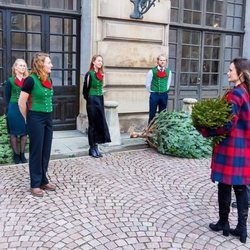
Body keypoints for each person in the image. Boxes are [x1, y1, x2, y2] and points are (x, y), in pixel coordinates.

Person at [197, 58, 250, 243]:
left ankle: (223, 223)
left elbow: (228, 124)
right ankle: (242, 230)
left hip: (231, 147)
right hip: (244, 147)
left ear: (240, 74)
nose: (227, 73)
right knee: (241, 188)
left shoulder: (236, 94)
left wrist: (207, 131)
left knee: (225, 185)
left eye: (230, 70)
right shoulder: (247, 92)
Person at [18, 52, 56, 197]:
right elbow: (22, 102)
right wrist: (28, 119)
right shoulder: (30, 80)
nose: (51, 65)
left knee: (46, 150)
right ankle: (34, 184)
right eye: (49, 63)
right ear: (41, 64)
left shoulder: (49, 79)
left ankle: (43, 180)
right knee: (36, 151)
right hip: (35, 118)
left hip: (48, 117)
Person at [82, 55, 111, 158]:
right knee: (92, 124)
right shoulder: (89, 74)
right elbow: (85, 90)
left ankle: (96, 146)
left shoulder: (101, 74)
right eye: (98, 61)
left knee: (99, 123)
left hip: (100, 99)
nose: (100, 63)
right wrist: (90, 99)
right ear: (93, 62)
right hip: (92, 100)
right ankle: (92, 147)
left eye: (101, 61)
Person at [4, 59, 29, 164]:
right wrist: (8, 110)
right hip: (13, 107)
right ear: (15, 67)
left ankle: (22, 155)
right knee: (13, 133)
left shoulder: (28, 80)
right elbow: (6, 97)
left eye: (24, 66)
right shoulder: (10, 81)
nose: (22, 67)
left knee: (24, 133)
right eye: (20, 65)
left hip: (24, 107)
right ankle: (16, 155)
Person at [145, 54, 172, 124]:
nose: (162, 62)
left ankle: (161, 130)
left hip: (164, 95)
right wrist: (153, 91)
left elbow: (168, 83)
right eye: (161, 60)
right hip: (154, 95)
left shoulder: (169, 71)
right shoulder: (152, 71)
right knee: (152, 114)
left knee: (162, 114)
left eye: (164, 60)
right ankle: (150, 131)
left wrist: (165, 90)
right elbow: (147, 84)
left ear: (166, 61)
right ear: (158, 61)